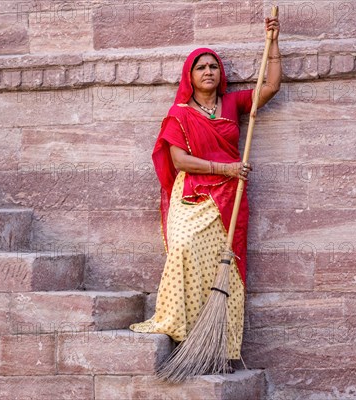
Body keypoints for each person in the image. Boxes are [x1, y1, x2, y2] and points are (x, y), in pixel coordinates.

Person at [130, 17, 281, 362]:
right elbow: (180, 160)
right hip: (193, 193)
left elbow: (271, 85)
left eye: (214, 66)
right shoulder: (179, 114)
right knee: (183, 249)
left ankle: (214, 344)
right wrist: (226, 168)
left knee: (218, 265)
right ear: (191, 76)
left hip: (229, 199)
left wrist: (273, 41)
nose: (209, 71)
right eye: (201, 67)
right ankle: (177, 325)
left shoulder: (232, 105)